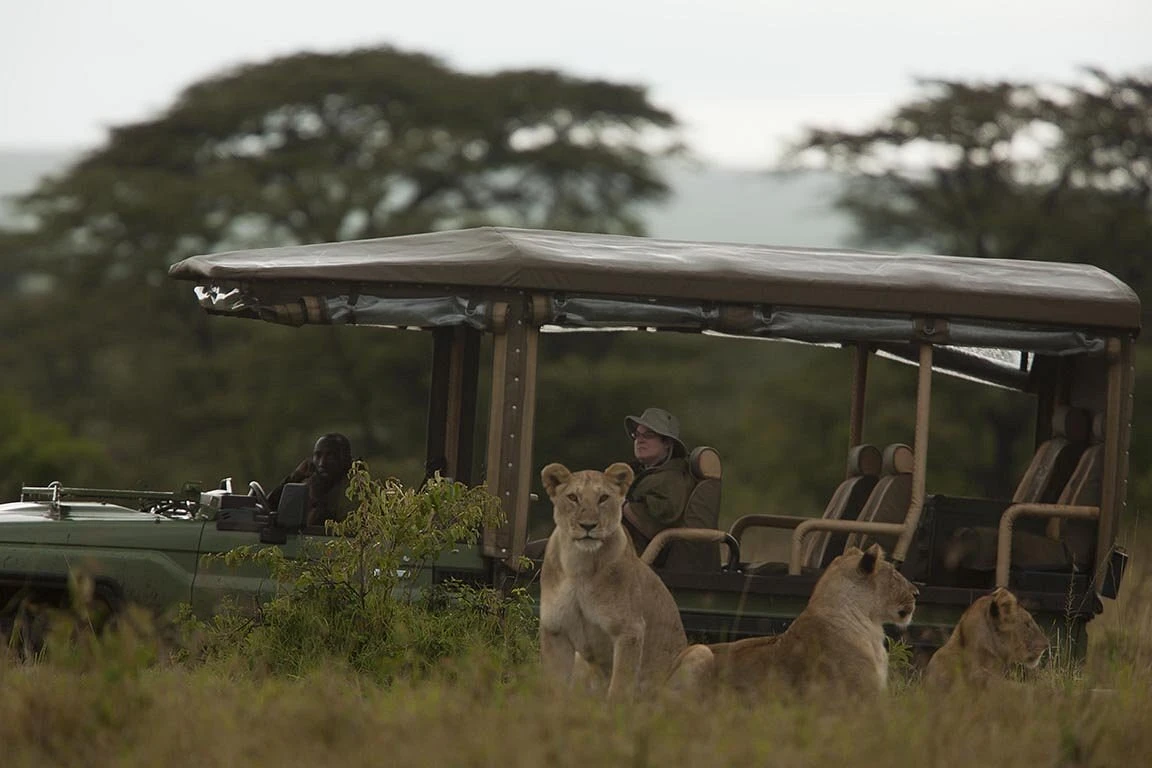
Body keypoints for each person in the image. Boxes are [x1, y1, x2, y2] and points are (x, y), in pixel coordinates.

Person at [621, 408, 695, 556]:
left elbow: (667, 513)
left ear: (667, 443)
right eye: (637, 435)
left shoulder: (673, 477)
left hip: (648, 560)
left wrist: (627, 504)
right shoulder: (640, 473)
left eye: (648, 435)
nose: (639, 440)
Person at [267, 433, 356, 528]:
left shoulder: (353, 491)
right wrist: (295, 477)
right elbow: (269, 506)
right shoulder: (314, 483)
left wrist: (317, 500)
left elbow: (319, 533)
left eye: (330, 456)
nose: (322, 463)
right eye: (318, 456)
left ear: (346, 460)